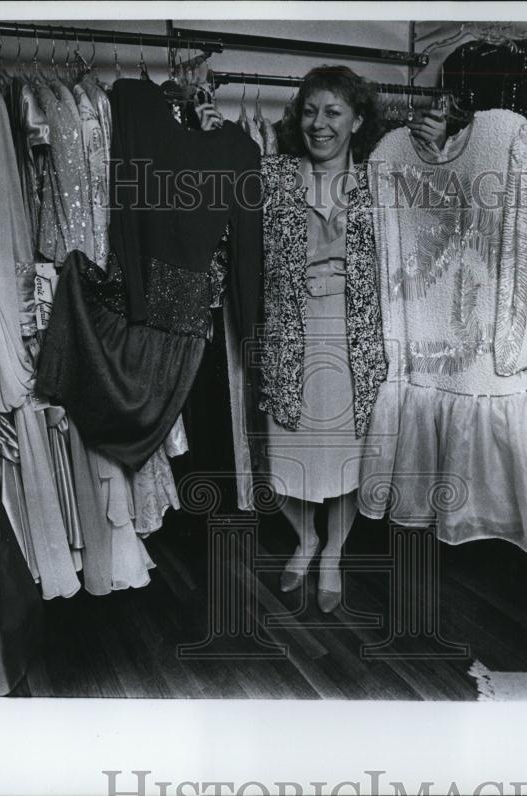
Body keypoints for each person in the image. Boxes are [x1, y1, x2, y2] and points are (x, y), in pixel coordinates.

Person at [198, 67, 447, 612]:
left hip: (359, 339)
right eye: (310, 110)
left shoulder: (384, 180)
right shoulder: (271, 175)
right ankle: (305, 538)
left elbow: (436, 229)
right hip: (289, 336)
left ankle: (332, 550)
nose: (319, 123)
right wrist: (208, 142)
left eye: (333, 112)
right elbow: (225, 230)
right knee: (284, 459)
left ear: (358, 120)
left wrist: (435, 153)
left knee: (348, 459)